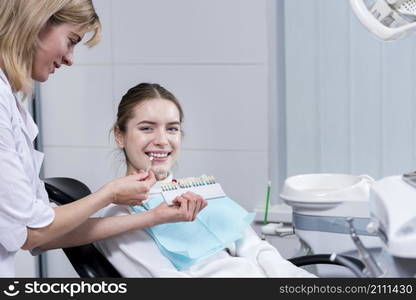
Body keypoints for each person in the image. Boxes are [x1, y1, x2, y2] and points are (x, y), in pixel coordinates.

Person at [0, 0, 206, 277]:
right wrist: (109, 194)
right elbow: (33, 233)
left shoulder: (11, 104)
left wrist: (155, 217)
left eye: (172, 128)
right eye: (71, 40)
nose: (71, 58)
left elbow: (40, 231)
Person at [95, 83, 316, 277]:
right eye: (146, 128)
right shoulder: (119, 218)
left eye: (172, 128)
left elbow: (257, 250)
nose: (162, 140)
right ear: (119, 135)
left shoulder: (200, 191)